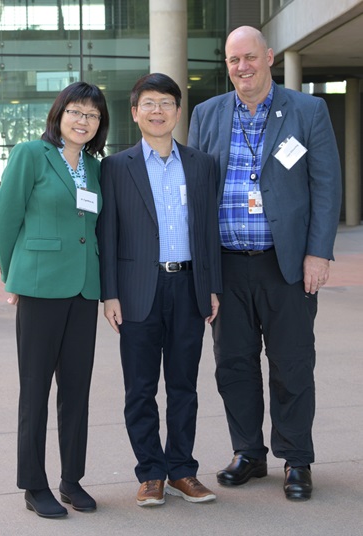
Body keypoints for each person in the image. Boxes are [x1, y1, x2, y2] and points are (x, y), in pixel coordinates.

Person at [188, 26, 342, 501]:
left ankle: (297, 459)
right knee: (233, 365)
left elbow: (326, 184)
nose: (242, 67)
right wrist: (203, 273)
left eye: (250, 57)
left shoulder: (307, 110)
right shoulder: (206, 113)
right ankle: (249, 453)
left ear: (269, 57)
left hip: (287, 265)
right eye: (234, 60)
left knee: (292, 364)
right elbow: (196, 194)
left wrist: (318, 252)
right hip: (227, 265)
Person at [98, 73, 222, 507]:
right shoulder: (115, 167)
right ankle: (150, 472)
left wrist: (212, 287)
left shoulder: (202, 164)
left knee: (185, 386)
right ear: (135, 113)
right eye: (148, 103)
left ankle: (183, 471)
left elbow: (208, 231)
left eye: (166, 103)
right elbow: (107, 234)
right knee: (140, 388)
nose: (157, 110)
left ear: (177, 110)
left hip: (188, 287)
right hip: (136, 292)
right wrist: (109, 293)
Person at [0, 81, 109, 518]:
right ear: (59, 114)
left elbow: (93, 228)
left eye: (93, 115)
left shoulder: (96, 168)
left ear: (100, 124)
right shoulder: (30, 154)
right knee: (35, 389)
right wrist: (12, 277)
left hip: (83, 288)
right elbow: (7, 219)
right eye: (76, 112)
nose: (84, 121)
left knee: (77, 390)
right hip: (40, 287)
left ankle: (71, 480)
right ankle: (34, 484)